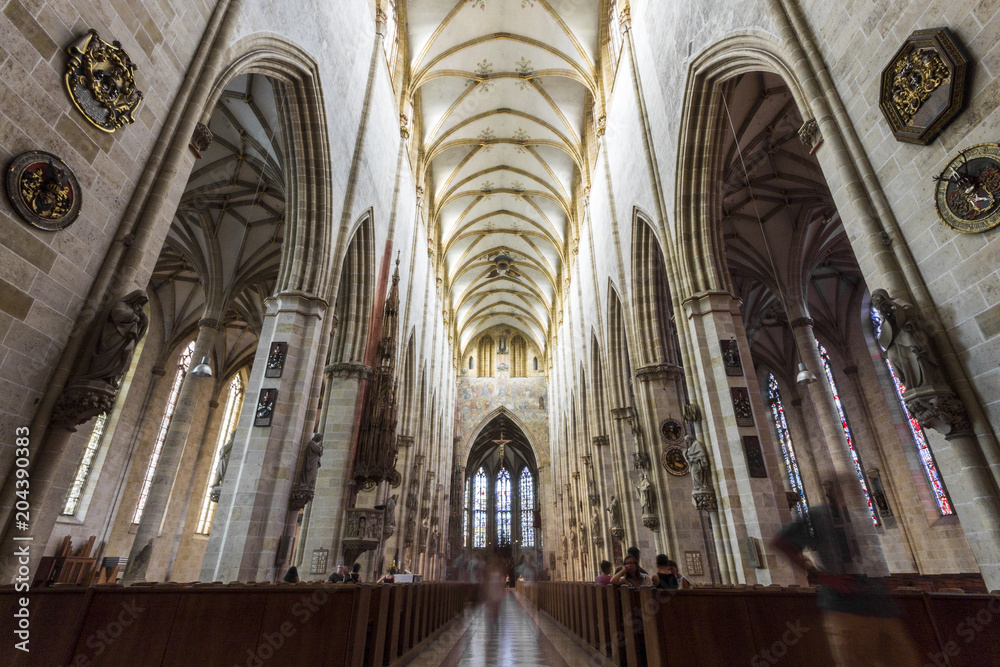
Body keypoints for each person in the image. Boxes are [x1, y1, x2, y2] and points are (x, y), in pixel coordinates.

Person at [772, 501, 921, 666]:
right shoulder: (819, 515)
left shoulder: (859, 512)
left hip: (883, 607)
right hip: (846, 609)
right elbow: (780, 541)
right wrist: (818, 575)